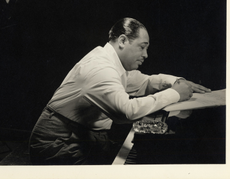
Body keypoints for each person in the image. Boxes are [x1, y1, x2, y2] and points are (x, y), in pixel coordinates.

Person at [29, 17, 211, 165]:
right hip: (58, 142)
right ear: (123, 40)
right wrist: (175, 93)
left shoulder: (112, 64)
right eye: (142, 47)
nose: (146, 55)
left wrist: (176, 82)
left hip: (81, 137)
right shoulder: (101, 68)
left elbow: (145, 82)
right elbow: (126, 112)